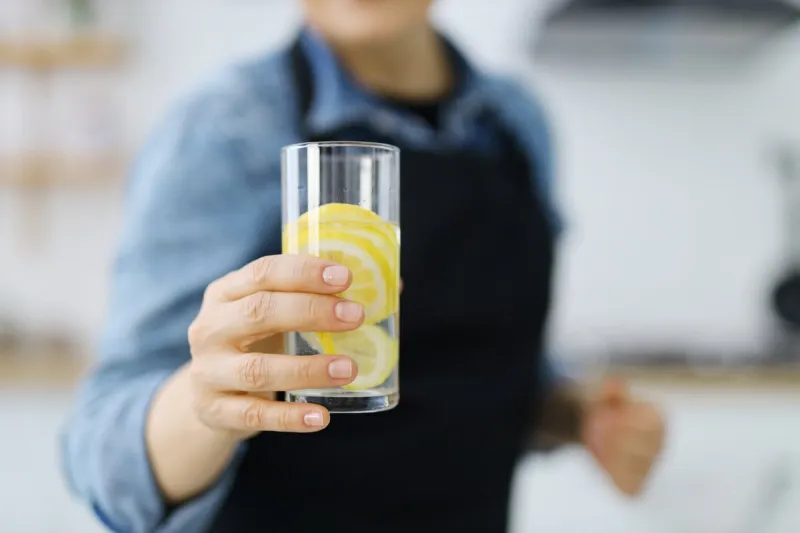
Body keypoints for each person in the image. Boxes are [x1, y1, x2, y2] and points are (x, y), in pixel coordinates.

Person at [61, 1, 666, 532]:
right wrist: (204, 399)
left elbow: (485, 370)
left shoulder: (514, 123)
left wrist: (577, 415)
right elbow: (97, 444)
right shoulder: (226, 125)